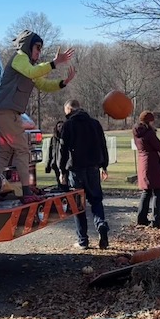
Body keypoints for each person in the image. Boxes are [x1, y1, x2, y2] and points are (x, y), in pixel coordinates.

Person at [0, 30, 75, 203]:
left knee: (5, 152)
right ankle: (26, 191)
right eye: (37, 48)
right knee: (22, 149)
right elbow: (31, 72)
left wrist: (63, 83)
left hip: (10, 113)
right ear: (28, 46)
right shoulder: (19, 58)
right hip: (6, 112)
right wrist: (54, 63)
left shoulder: (29, 66)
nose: (39, 52)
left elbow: (43, 84)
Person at [59, 100, 110, 249]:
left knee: (78, 205)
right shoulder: (95, 123)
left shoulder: (68, 125)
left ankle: (83, 240)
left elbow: (63, 150)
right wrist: (104, 166)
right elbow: (102, 145)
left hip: (76, 169)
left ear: (69, 109)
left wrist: (62, 170)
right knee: (96, 201)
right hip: (93, 168)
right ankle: (100, 224)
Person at [45, 121, 68, 191]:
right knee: (59, 180)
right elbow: (50, 152)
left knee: (64, 181)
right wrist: (48, 166)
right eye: (59, 126)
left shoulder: (66, 137)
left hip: (64, 163)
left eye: (62, 126)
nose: (60, 128)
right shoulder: (53, 139)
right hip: (55, 163)